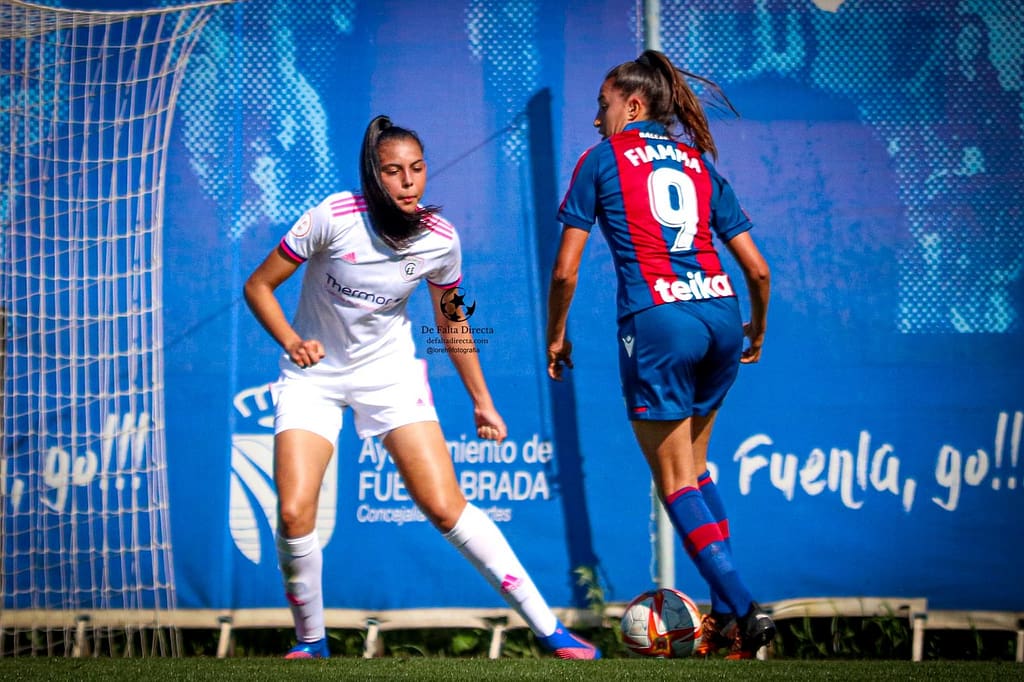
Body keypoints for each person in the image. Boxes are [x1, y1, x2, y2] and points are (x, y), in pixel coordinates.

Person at [244, 115, 601, 660]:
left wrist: (483, 401)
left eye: (416, 168)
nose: (408, 181)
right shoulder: (332, 217)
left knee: (444, 506)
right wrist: (293, 341)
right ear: (374, 175)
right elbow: (258, 286)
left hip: (390, 377)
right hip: (313, 376)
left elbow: (452, 322)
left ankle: (550, 630)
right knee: (294, 514)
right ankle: (311, 641)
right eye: (393, 171)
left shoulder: (440, 239)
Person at [545, 50, 775, 659]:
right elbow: (757, 269)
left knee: (673, 481)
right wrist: (756, 331)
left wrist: (556, 334)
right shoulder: (698, 163)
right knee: (696, 470)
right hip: (722, 314)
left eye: (602, 105)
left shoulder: (600, 159)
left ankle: (746, 609)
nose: (596, 118)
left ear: (632, 104)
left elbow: (565, 271)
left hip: (659, 318)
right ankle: (724, 620)